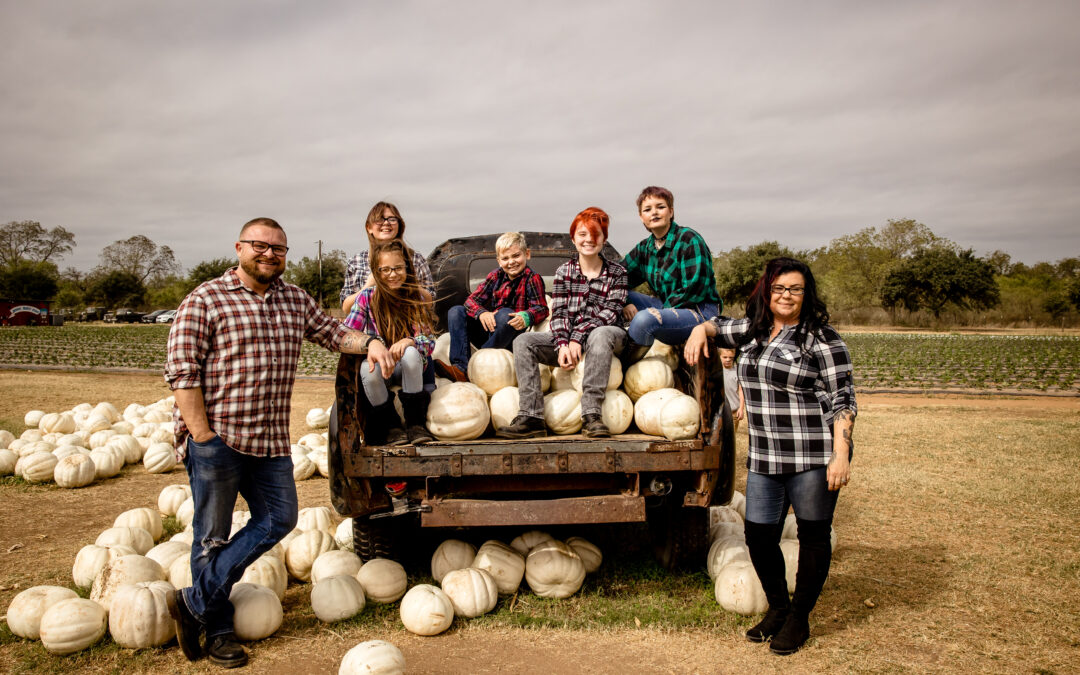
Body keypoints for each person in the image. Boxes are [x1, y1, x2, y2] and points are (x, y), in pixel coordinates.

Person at [164, 217, 389, 668]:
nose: (269, 255)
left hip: (268, 440)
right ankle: (218, 629)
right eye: (259, 246)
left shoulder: (293, 299)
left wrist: (371, 344)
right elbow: (182, 372)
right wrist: (202, 435)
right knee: (211, 538)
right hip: (219, 438)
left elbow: (333, 333)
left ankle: (193, 602)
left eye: (279, 249)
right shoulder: (206, 299)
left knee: (280, 518)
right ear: (239, 247)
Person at [685, 257, 856, 655]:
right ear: (767, 291)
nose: (786, 296)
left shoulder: (821, 338)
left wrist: (841, 450)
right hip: (765, 456)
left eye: (795, 289)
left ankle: (799, 618)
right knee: (759, 536)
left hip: (812, 454)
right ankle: (778, 608)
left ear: (806, 293)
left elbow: (843, 398)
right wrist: (699, 329)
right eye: (779, 288)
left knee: (813, 536)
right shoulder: (755, 330)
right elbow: (718, 325)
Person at [496, 207, 628, 439]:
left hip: (608, 337)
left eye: (595, 234)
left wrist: (577, 337)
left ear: (604, 239)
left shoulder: (617, 272)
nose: (589, 240)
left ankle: (591, 414)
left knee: (601, 333)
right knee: (524, 340)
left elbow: (610, 312)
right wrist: (562, 344)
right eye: (583, 234)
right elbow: (559, 314)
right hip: (570, 340)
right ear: (574, 239)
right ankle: (532, 416)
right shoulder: (564, 272)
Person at [343, 239, 437, 446]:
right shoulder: (367, 298)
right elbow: (348, 333)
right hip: (380, 367)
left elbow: (429, 342)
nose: (392, 274)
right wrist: (370, 343)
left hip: (407, 368)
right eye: (385, 270)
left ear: (407, 269)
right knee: (369, 370)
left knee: (412, 354)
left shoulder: (415, 298)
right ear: (376, 272)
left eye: (397, 268)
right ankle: (391, 425)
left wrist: (409, 340)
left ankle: (415, 423)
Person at [621, 186, 721, 363]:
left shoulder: (689, 239)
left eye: (660, 207)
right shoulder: (645, 248)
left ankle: (627, 367)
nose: (654, 213)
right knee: (620, 295)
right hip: (665, 306)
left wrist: (658, 312)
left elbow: (694, 289)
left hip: (698, 310)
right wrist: (624, 302)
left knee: (645, 319)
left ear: (671, 211)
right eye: (647, 209)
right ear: (641, 217)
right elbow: (618, 277)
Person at [436, 232, 549, 382]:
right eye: (505, 258)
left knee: (505, 314)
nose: (511, 262)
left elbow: (541, 308)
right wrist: (482, 313)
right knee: (456, 311)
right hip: (491, 331)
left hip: (510, 338)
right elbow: (471, 301)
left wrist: (526, 316)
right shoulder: (495, 276)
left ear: (527, 254)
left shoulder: (532, 279)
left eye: (516, 256)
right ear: (498, 261)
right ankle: (461, 368)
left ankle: (477, 365)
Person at [340, 201, 433, 313]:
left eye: (392, 219)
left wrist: (410, 281)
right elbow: (346, 308)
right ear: (369, 227)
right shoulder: (356, 261)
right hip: (368, 328)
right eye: (379, 219)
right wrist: (368, 286)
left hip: (409, 325)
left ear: (399, 226)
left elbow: (430, 304)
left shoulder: (415, 259)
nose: (386, 223)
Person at [718, 348, 745, 433]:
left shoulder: (737, 371)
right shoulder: (716, 371)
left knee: (731, 439)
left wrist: (741, 408)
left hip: (734, 411)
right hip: (719, 412)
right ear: (719, 356)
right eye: (725, 357)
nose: (728, 360)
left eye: (731, 358)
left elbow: (741, 391)